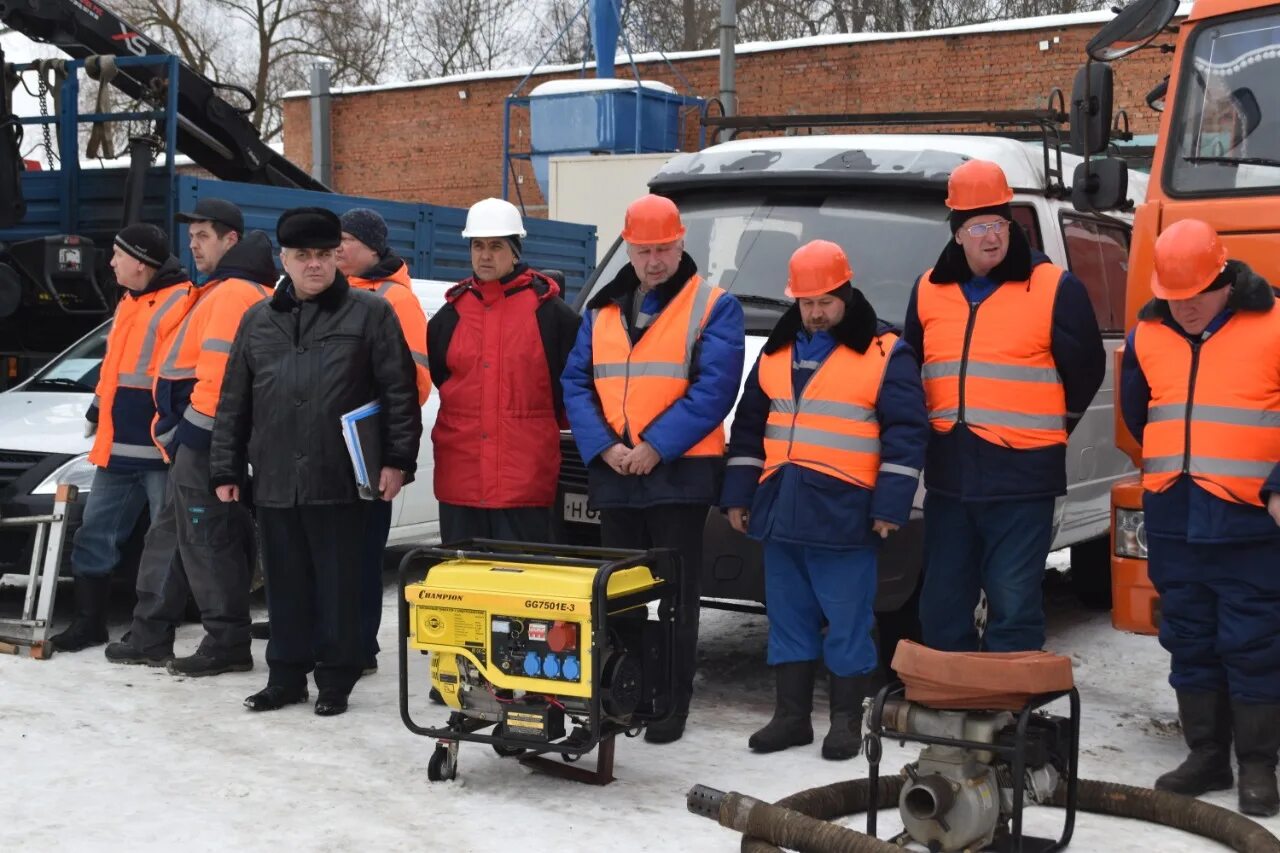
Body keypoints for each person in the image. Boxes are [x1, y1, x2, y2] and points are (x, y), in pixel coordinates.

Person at [209, 207, 421, 716]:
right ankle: (284, 676)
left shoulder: (371, 314)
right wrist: (226, 467)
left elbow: (400, 393)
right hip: (279, 478)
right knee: (285, 587)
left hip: (343, 479)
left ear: (337, 258)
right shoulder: (257, 321)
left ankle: (335, 678)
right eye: (302, 256)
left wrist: (397, 461)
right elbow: (235, 398)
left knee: (340, 586)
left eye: (324, 255)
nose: (314, 266)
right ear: (284, 259)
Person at [721, 241, 928, 759]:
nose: (815, 313)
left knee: (848, 621)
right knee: (787, 618)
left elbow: (906, 435)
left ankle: (844, 722)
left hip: (845, 513)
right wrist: (737, 496)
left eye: (825, 302)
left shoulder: (886, 352)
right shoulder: (776, 351)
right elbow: (748, 431)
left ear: (846, 293)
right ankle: (790, 718)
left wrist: (889, 507)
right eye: (806, 303)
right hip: (780, 507)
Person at [562, 194, 745, 744]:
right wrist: (604, 448)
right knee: (617, 594)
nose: (653, 261)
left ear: (681, 242)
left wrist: (655, 447)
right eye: (643, 251)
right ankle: (623, 693)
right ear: (630, 250)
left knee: (675, 597)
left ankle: (669, 702)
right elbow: (575, 382)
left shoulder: (713, 306)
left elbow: (714, 391)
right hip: (616, 473)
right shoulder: (602, 309)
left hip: (678, 476)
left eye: (663, 249)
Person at [904, 159, 1104, 653]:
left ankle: (1006, 712)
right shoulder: (928, 290)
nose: (992, 237)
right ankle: (953, 706)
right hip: (950, 478)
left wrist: (1053, 424)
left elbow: (1086, 371)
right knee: (941, 603)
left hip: (1022, 480)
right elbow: (912, 370)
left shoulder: (1055, 287)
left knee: (1013, 603)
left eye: (1000, 223)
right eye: (979, 226)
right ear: (957, 234)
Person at [1119, 218, 1280, 818]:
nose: (1182, 308)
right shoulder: (1147, 332)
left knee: (1254, 641)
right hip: (1175, 515)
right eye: (1172, 297)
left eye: (1195, 296)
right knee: (1188, 638)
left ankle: (1259, 765)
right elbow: (1141, 414)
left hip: (1246, 519)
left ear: (1224, 279)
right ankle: (1207, 754)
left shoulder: (1275, 323)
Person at [104, 199, 275, 674]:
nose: (193, 245)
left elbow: (219, 378)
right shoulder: (219, 289)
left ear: (231, 240)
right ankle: (150, 633)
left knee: (207, 541)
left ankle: (226, 642)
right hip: (195, 440)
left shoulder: (233, 293)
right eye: (193, 235)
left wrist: (190, 436)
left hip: (205, 440)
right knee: (171, 536)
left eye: (204, 236)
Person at [50, 224, 193, 653]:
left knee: (165, 542)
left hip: (160, 449)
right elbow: (115, 369)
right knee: (95, 534)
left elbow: (183, 377)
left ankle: (153, 631)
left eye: (117, 254)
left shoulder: (181, 302)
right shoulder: (130, 301)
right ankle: (89, 622)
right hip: (118, 446)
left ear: (141, 260)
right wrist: (97, 407)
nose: (110, 262)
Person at [427, 197, 579, 543]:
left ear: (515, 251)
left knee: (520, 587)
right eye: (478, 245)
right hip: (461, 481)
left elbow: (569, 395)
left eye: (496, 246)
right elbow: (442, 378)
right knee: (463, 591)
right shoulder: (448, 317)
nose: (485, 255)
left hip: (524, 483)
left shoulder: (553, 316)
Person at [337, 207, 432, 675]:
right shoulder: (331, 292)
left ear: (372, 247)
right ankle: (331, 638)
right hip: (327, 447)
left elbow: (415, 382)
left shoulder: (397, 299)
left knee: (360, 552)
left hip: (366, 445)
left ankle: (360, 646)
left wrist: (382, 436)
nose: (336, 249)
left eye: (346, 240)